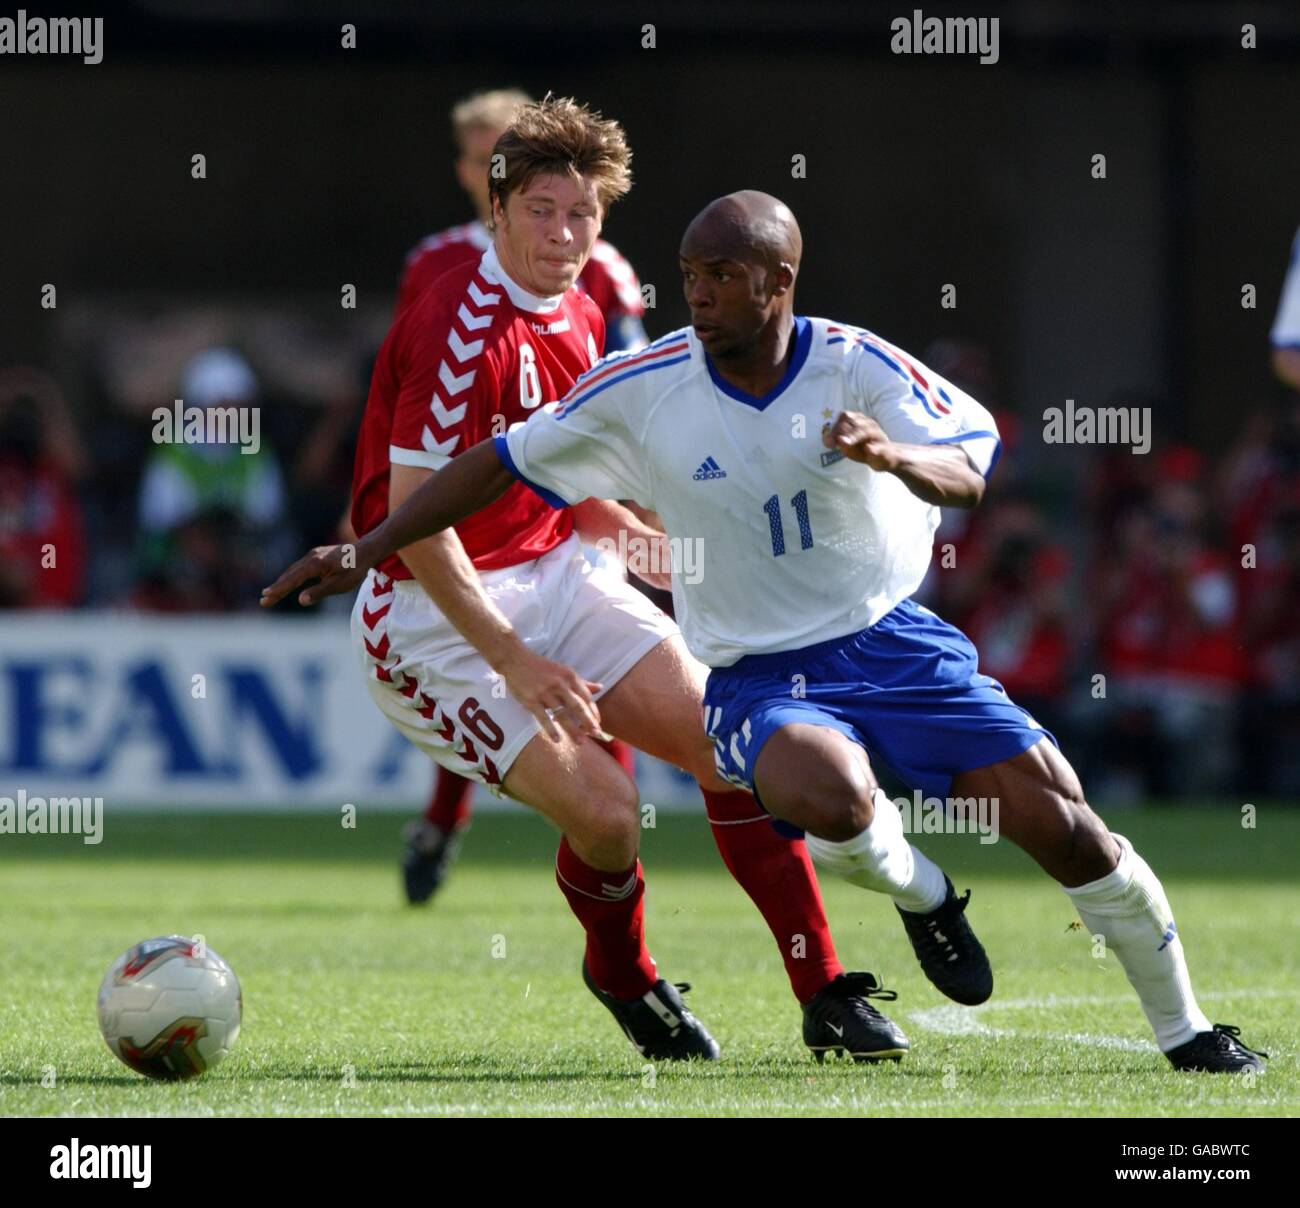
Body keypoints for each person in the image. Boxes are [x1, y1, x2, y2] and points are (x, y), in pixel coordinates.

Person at [267, 190, 1268, 1075]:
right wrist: (365, 548)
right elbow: (493, 461)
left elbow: (972, 463)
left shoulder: (855, 363)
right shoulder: (645, 382)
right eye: (689, 276)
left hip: (892, 643)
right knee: (818, 790)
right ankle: (920, 896)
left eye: (722, 276)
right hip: (759, 671)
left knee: (1061, 822)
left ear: (778, 279)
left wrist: (900, 459)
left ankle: (1185, 1029)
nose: (697, 294)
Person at [268, 102, 936, 1063]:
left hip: (559, 572)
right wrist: (518, 660)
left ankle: (825, 989)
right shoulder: (459, 329)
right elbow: (410, 531)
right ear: (495, 211)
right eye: (542, 211)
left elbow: (572, 489)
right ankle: (623, 974)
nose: (564, 235)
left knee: (735, 748)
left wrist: (649, 543)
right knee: (610, 817)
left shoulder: (586, 314)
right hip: (432, 621)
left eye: (583, 215)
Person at [396, 88, 651, 904]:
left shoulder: (597, 274)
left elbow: (630, 394)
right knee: (503, 684)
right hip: (450, 533)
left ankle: (602, 844)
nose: (482, 167)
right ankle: (449, 820)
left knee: (615, 692)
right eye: (475, 155)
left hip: (563, 522)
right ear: (481, 178)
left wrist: (634, 515)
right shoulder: (436, 267)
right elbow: (409, 402)